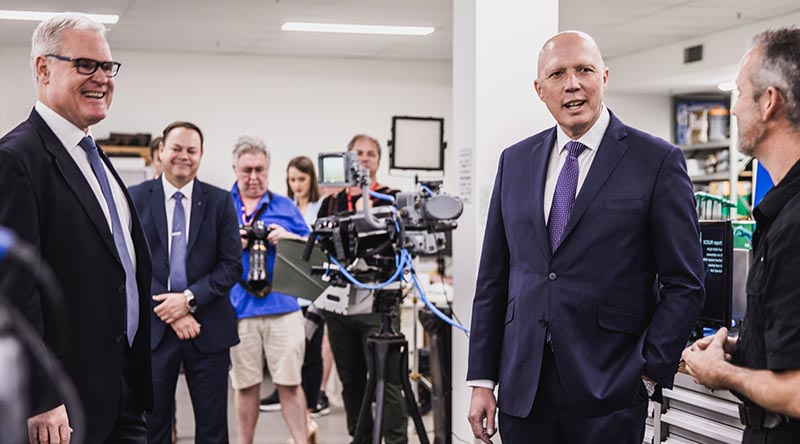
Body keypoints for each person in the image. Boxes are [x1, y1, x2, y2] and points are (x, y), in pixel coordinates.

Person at [466, 31, 705, 444]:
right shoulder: (515, 162)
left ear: (605, 77)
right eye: (557, 74)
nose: (572, 83)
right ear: (540, 90)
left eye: (584, 70)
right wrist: (482, 379)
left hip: (610, 389)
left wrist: (647, 370)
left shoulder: (657, 161)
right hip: (523, 390)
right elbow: (493, 281)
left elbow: (685, 282)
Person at [0, 13, 153, 443]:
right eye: (85, 65)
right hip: (63, 404)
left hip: (121, 389)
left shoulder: (92, 155)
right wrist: (41, 395)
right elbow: (12, 295)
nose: (101, 78)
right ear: (43, 68)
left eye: (107, 66)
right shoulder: (17, 159)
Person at [682, 27, 800, 442]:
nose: (733, 111)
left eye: (738, 93)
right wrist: (740, 347)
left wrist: (723, 372)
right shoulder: (782, 210)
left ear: (768, 102)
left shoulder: (794, 226)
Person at [128, 121, 242, 444]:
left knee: (213, 428)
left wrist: (189, 300)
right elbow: (128, 265)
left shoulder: (220, 202)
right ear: (161, 151)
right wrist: (172, 309)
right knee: (153, 427)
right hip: (154, 332)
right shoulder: (134, 199)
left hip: (209, 332)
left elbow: (231, 265)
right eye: (176, 148)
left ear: (201, 155)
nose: (184, 156)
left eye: (191, 150)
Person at [316, 134, 408, 444]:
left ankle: (396, 440)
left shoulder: (392, 199)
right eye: (358, 153)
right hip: (339, 305)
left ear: (379, 160)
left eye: (371, 153)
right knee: (352, 382)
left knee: (388, 381)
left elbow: (405, 250)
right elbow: (319, 248)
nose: (365, 158)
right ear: (348, 160)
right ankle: (361, 437)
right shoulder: (331, 202)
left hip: (379, 303)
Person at [228, 135, 312, 444]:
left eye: (260, 170)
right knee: (245, 385)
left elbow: (312, 249)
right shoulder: (223, 205)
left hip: (284, 309)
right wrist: (232, 243)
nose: (254, 177)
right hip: (239, 309)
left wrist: (288, 236)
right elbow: (205, 252)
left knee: (290, 383)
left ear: (269, 170)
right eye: (247, 170)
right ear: (235, 168)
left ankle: (302, 441)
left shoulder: (285, 206)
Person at [260, 156, 333, 418]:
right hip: (288, 287)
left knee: (311, 347)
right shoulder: (286, 206)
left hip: (313, 286)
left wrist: (290, 237)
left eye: (301, 179)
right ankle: (286, 393)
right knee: (291, 349)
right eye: (292, 179)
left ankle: (312, 400)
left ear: (311, 179)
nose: (297, 184)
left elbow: (319, 244)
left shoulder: (320, 207)